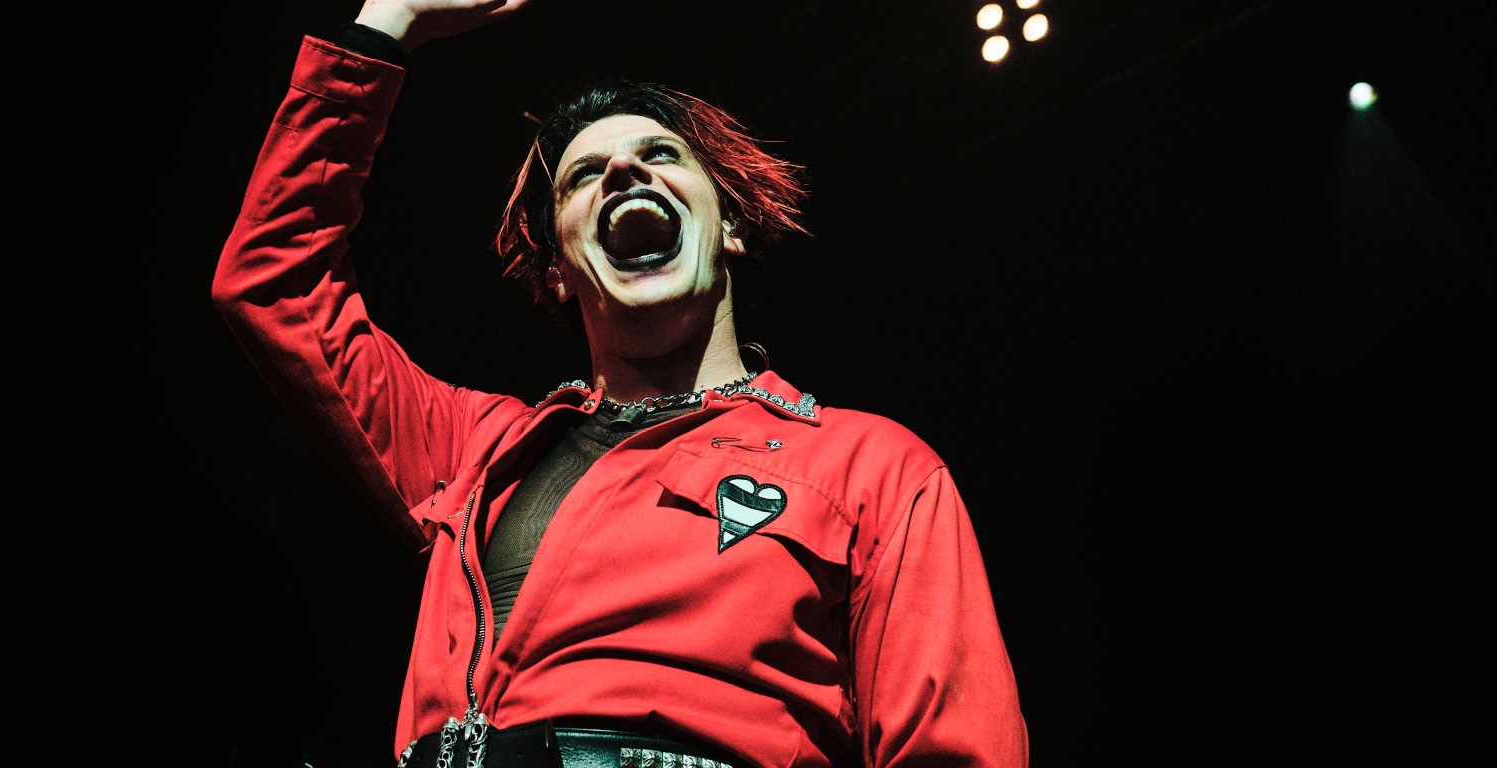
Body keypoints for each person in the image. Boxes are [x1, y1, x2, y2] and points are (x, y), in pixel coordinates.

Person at [211, 2, 1029, 766]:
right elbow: (275, 284)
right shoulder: (476, 450)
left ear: (731, 225)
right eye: (583, 176)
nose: (626, 170)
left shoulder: (872, 467)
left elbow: (957, 749)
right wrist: (384, 24)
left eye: (662, 155)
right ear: (558, 270)